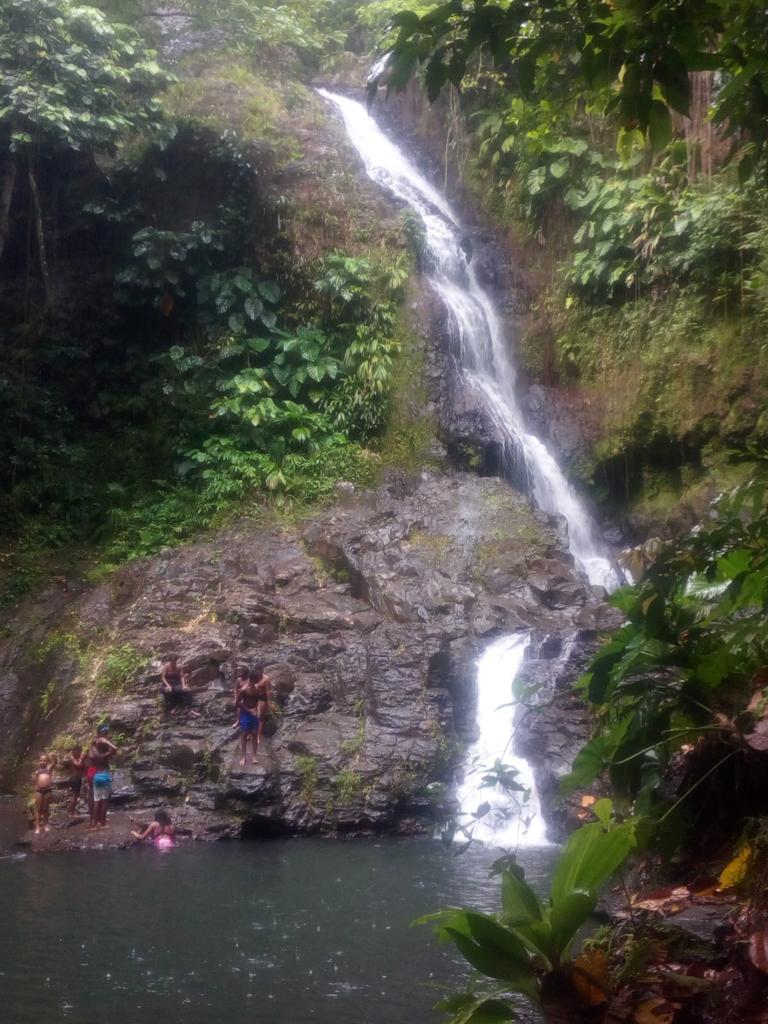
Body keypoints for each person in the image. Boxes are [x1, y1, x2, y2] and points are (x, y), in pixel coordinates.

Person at [235, 665, 269, 765]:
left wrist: (259, 708)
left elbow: (262, 698)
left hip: (254, 714)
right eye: (258, 679)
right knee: (244, 734)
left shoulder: (258, 689)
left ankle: (254, 756)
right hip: (245, 714)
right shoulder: (244, 690)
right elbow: (237, 704)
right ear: (253, 679)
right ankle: (243, 756)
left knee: (254, 734)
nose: (260, 681)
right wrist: (250, 711)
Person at [88, 726, 117, 830]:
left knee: (97, 799)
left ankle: (96, 822)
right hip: (99, 772)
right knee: (100, 799)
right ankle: (98, 822)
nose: (107, 735)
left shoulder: (96, 744)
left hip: (96, 772)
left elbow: (93, 756)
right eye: (106, 733)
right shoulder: (99, 745)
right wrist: (106, 745)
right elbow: (94, 756)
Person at [33, 753, 54, 834]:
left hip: (47, 791)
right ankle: (37, 827)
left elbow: (54, 762)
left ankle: (45, 825)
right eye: (41, 760)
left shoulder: (49, 768)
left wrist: (49, 755)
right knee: (38, 809)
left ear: (47, 762)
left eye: (44, 761)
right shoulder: (37, 771)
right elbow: (35, 782)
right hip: (39, 791)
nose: (42, 762)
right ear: (38, 761)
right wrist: (35, 790)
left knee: (46, 809)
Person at [66, 744, 87, 815]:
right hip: (74, 778)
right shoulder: (72, 758)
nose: (80, 753)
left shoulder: (76, 758)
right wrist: (81, 758)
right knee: (75, 796)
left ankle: (72, 810)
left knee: (76, 795)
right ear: (75, 751)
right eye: (80, 751)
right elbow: (79, 765)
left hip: (78, 778)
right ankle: (70, 811)